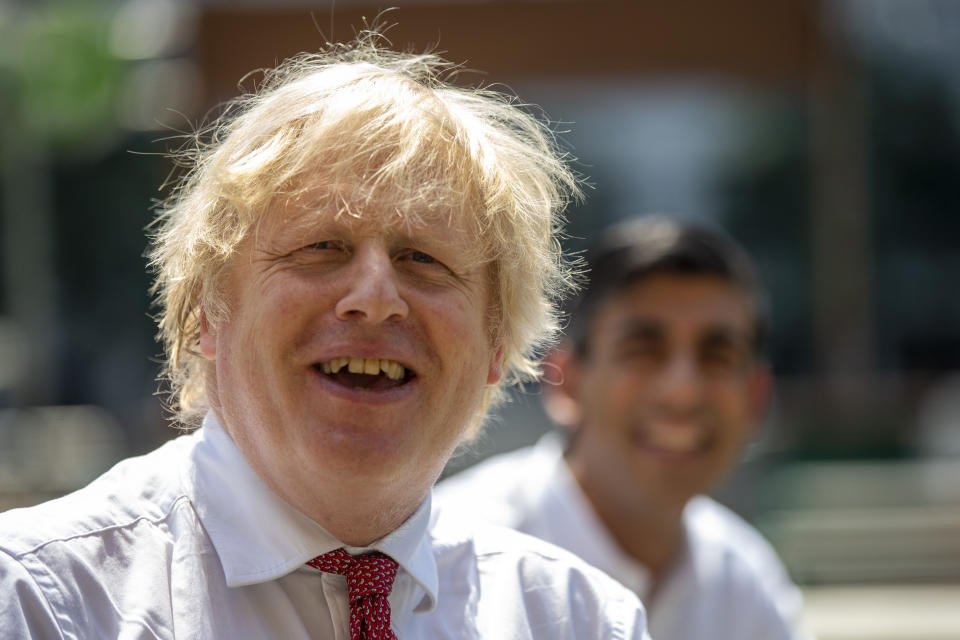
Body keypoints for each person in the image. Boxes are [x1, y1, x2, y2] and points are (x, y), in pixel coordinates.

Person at [0, 36, 650, 639]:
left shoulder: (581, 621)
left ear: (496, 347)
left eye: (423, 259)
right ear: (206, 315)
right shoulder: (41, 601)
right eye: (322, 247)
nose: (374, 298)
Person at [436, 215, 811, 639]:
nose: (682, 392)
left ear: (756, 397)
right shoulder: (449, 563)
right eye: (642, 351)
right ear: (567, 381)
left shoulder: (743, 578)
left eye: (717, 356)